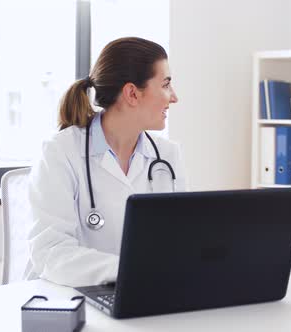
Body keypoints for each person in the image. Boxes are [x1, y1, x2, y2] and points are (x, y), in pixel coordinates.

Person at [26, 37, 185, 287]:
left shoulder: (167, 156)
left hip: (143, 292)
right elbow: (51, 253)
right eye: (166, 85)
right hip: (69, 298)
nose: (173, 97)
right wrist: (130, 270)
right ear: (132, 93)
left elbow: (179, 241)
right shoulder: (61, 152)